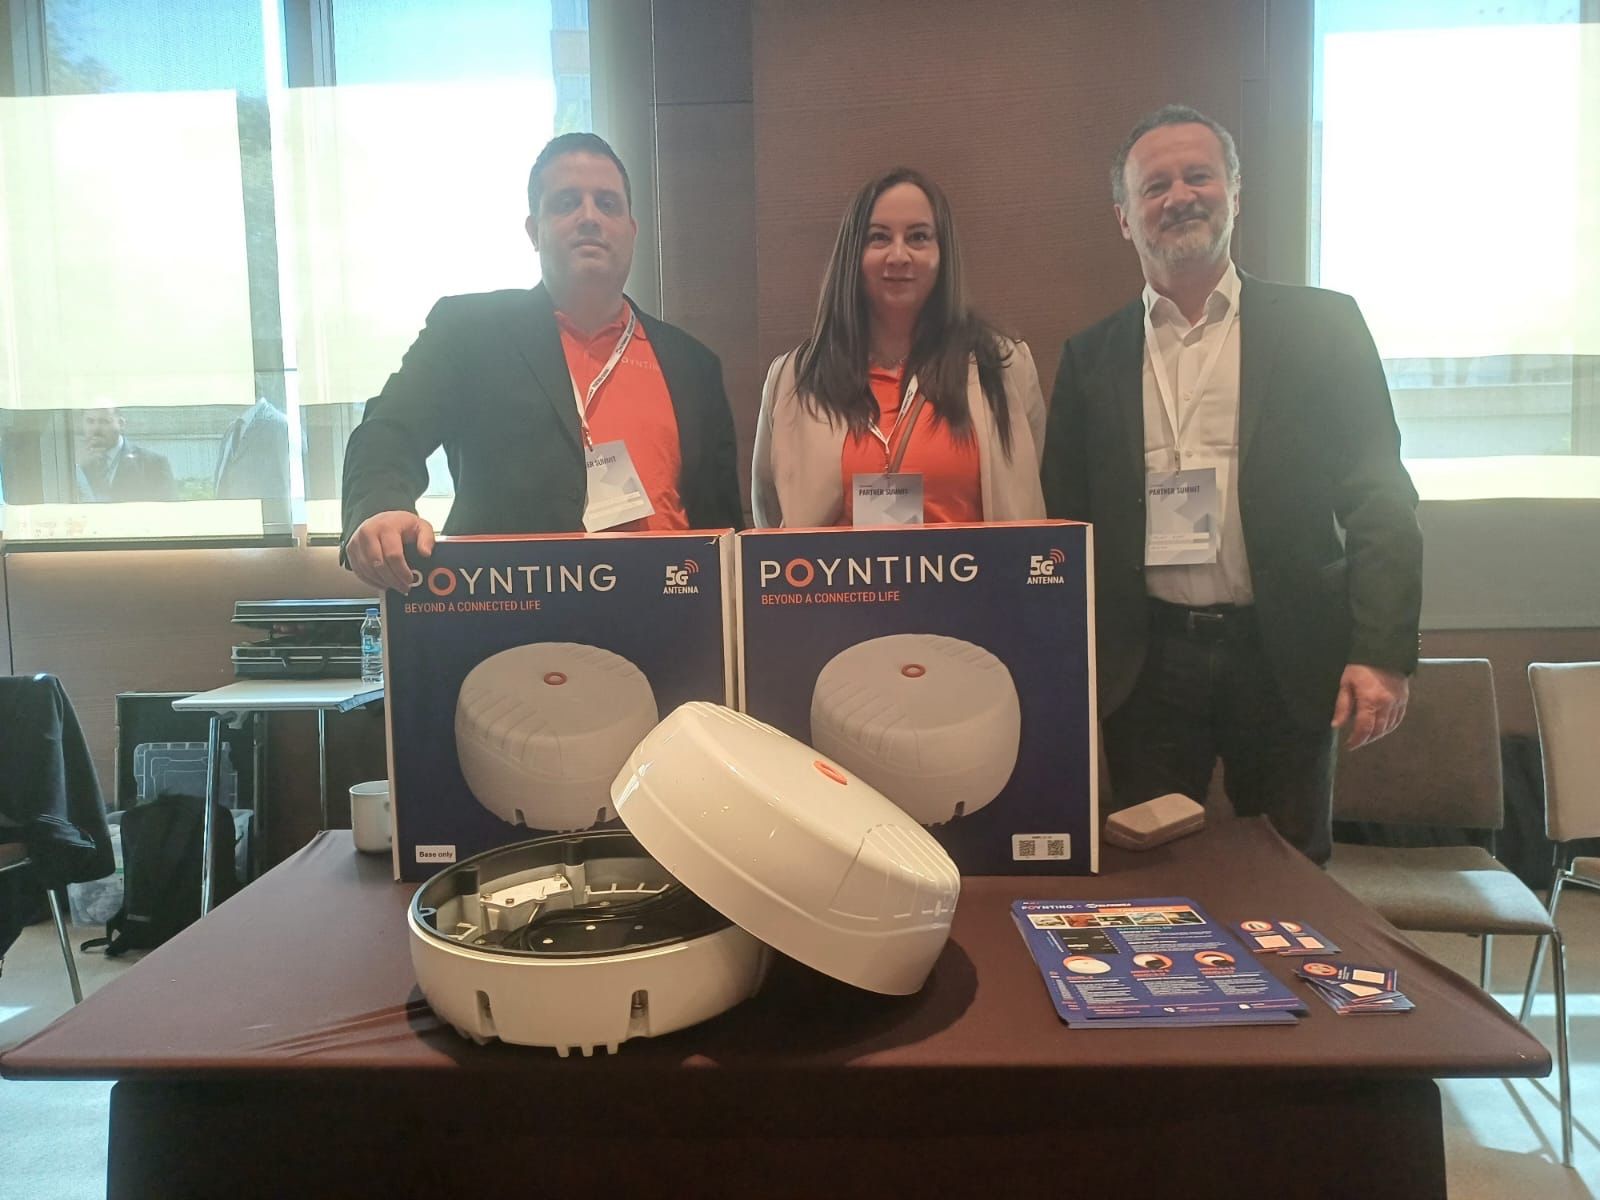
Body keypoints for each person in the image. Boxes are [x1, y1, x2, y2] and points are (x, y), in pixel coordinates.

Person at [1041, 105, 1422, 864]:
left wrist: (1382, 651)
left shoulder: (1322, 328)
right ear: (1124, 216)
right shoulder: (1090, 357)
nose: (1179, 196)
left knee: (1291, 878)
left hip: (1282, 656)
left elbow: (1380, 496)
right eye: (1155, 186)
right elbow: (1067, 519)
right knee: (1151, 880)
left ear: (1236, 194)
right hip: (1146, 667)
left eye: (1199, 176)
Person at [341, 132, 743, 593]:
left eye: (607, 204)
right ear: (534, 231)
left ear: (632, 230)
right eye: (567, 203)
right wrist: (380, 508)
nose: (589, 217)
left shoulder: (694, 365)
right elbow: (387, 430)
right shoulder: (468, 332)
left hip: (671, 615)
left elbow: (723, 530)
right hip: (516, 617)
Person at [751, 167, 1044, 527]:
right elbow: (770, 515)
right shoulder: (794, 378)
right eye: (879, 238)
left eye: (918, 237)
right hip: (837, 568)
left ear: (943, 252)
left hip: (975, 567)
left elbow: (1025, 490)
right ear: (853, 253)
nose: (899, 255)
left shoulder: (1002, 367)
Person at [72, 405, 178, 502]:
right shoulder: (75, 466)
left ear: (121, 424)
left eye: (104, 421)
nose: (96, 429)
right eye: (90, 421)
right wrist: (78, 466)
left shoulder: (154, 464)